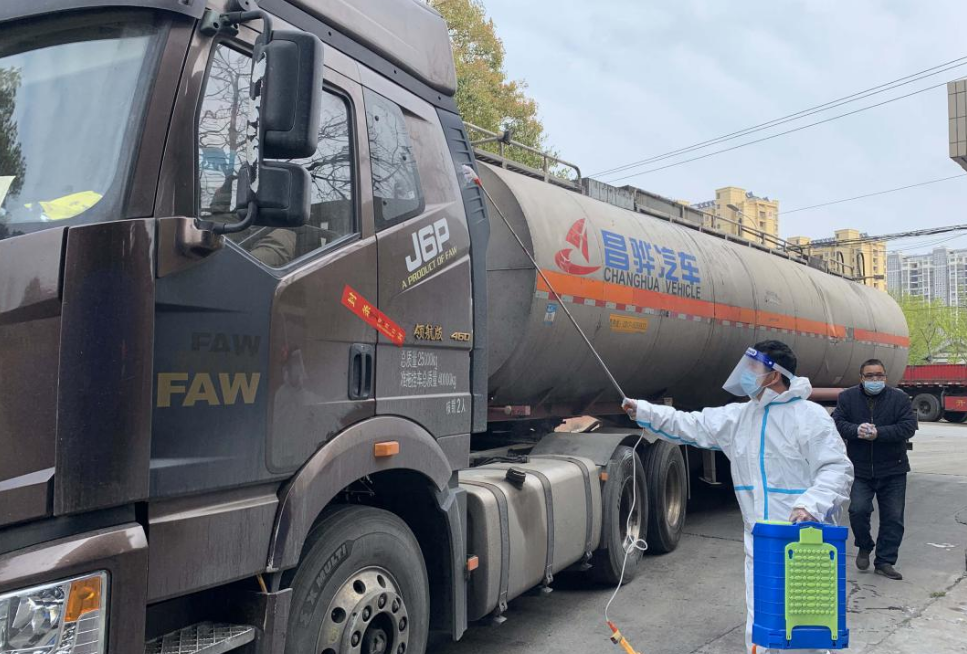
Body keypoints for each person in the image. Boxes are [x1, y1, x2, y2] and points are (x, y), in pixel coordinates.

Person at [622, 340, 853, 654]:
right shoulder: (741, 417)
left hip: (803, 544)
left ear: (774, 375)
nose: (745, 373)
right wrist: (643, 410)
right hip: (760, 543)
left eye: (752, 367)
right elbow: (690, 424)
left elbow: (837, 469)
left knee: (803, 628)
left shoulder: (809, 417)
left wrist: (810, 505)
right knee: (762, 626)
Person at [832, 359, 916, 581]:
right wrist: (856, 430)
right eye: (870, 376)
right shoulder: (847, 397)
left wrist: (880, 433)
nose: (875, 379)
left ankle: (885, 561)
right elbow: (837, 422)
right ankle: (864, 545)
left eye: (879, 375)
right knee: (857, 510)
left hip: (893, 468)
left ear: (885, 377)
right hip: (860, 468)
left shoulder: (899, 398)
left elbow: (908, 427)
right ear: (861, 378)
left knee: (893, 518)